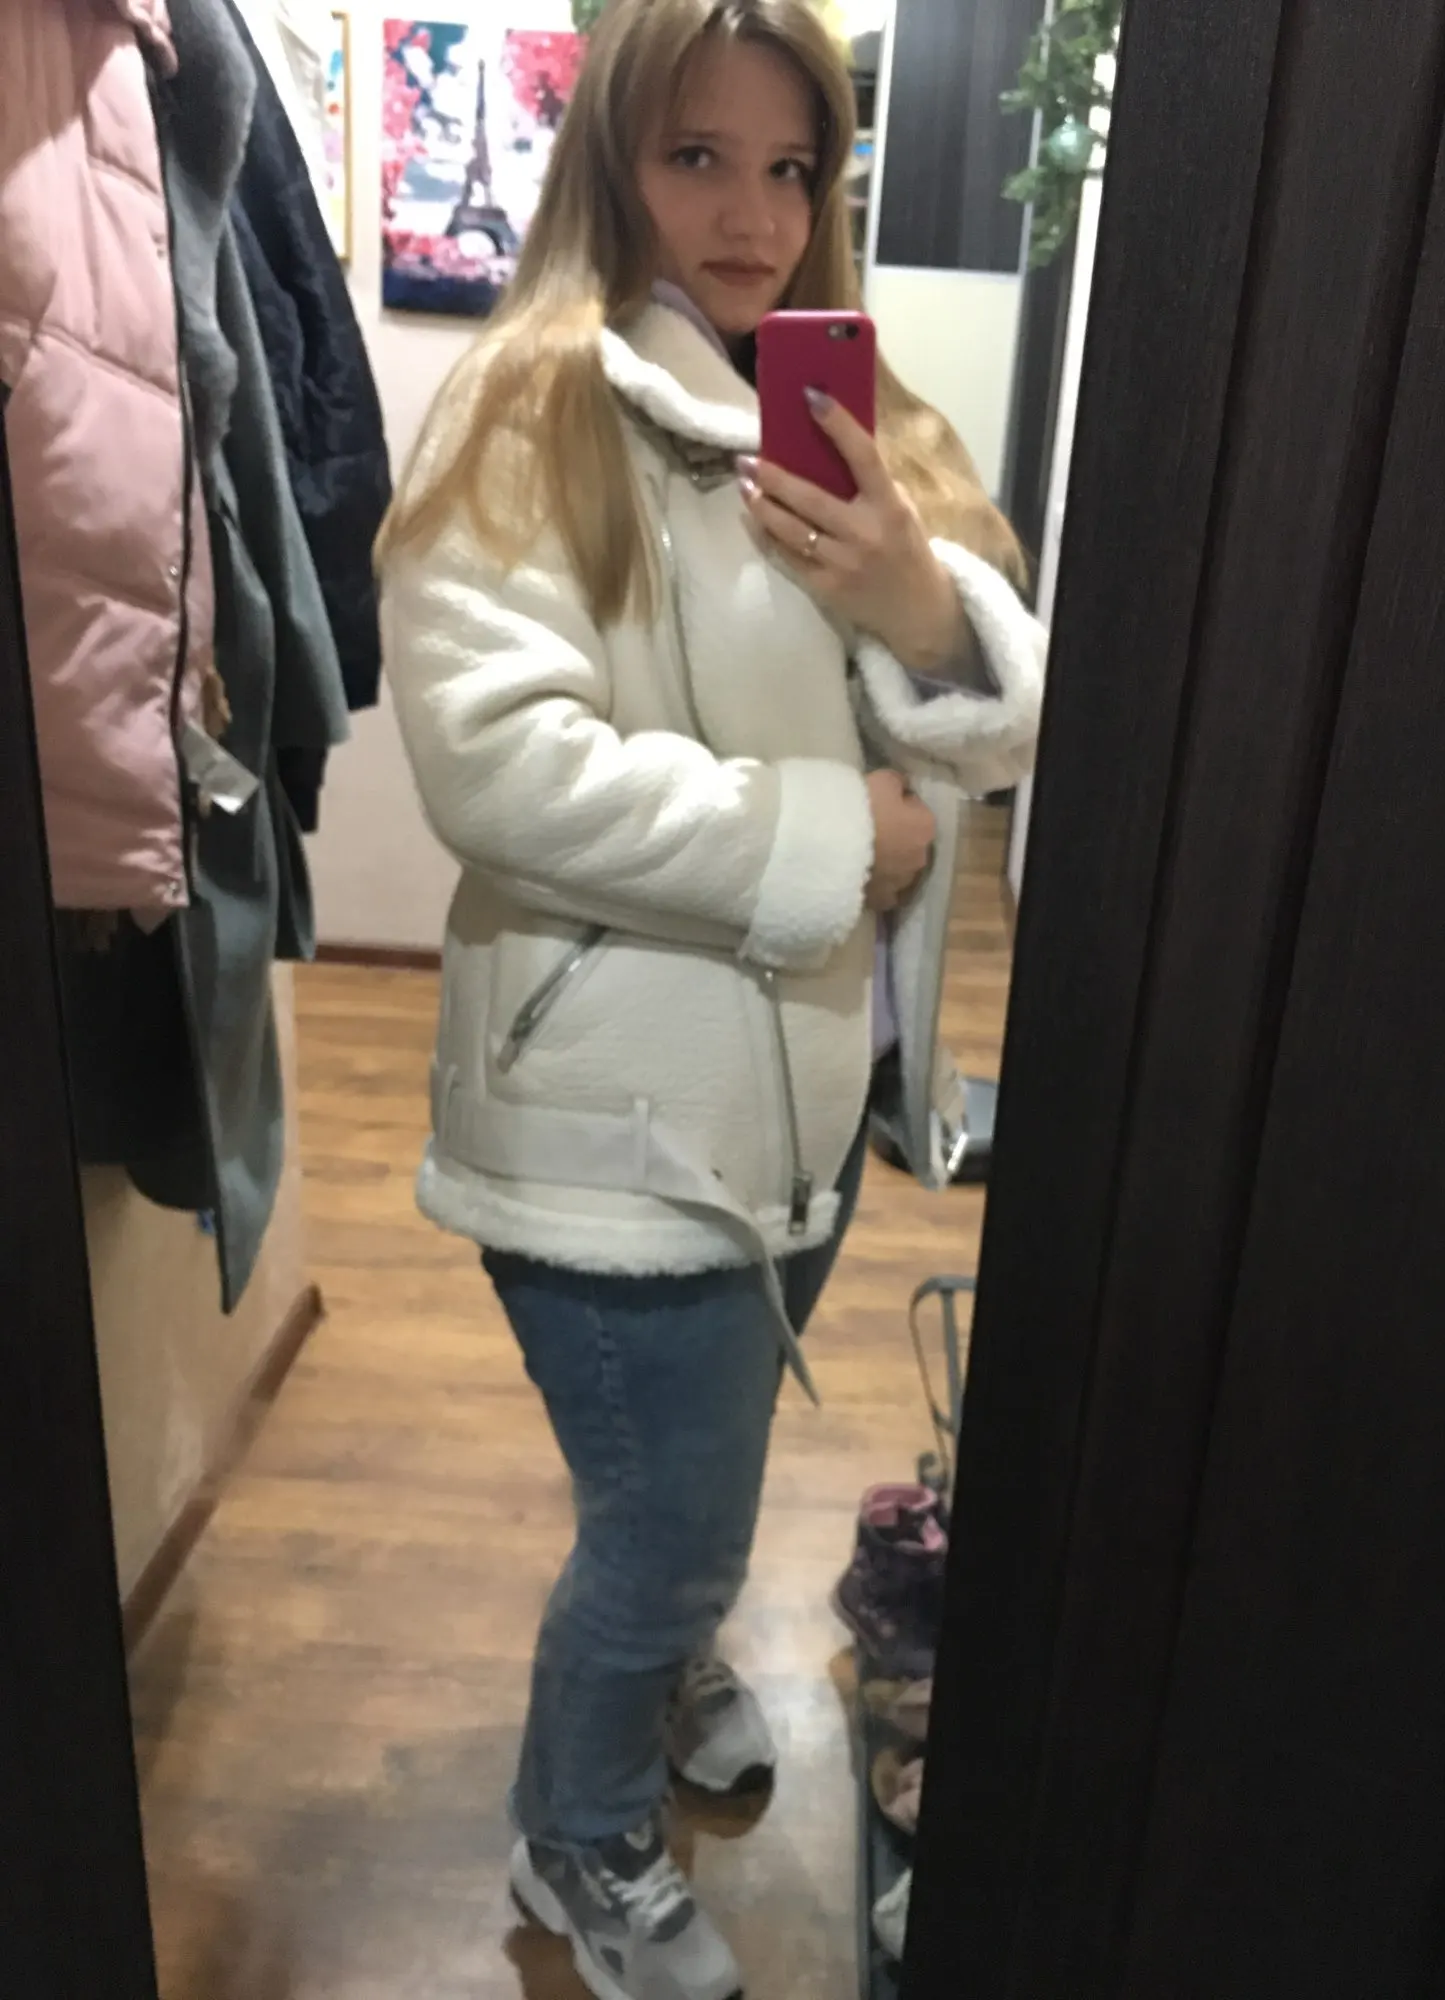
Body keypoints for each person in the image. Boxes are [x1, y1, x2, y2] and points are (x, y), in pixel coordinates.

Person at [378, 1, 1045, 1993]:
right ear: (612, 158)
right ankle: (576, 1837)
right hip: (621, 1107)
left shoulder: (851, 406)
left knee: (694, 1480)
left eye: (792, 168)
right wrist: (833, 838)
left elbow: (995, 722)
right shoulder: (529, 407)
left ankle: (661, 1678)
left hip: (805, 1093)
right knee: (668, 1529)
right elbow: (498, 765)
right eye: (698, 159)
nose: (754, 217)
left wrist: (912, 598)